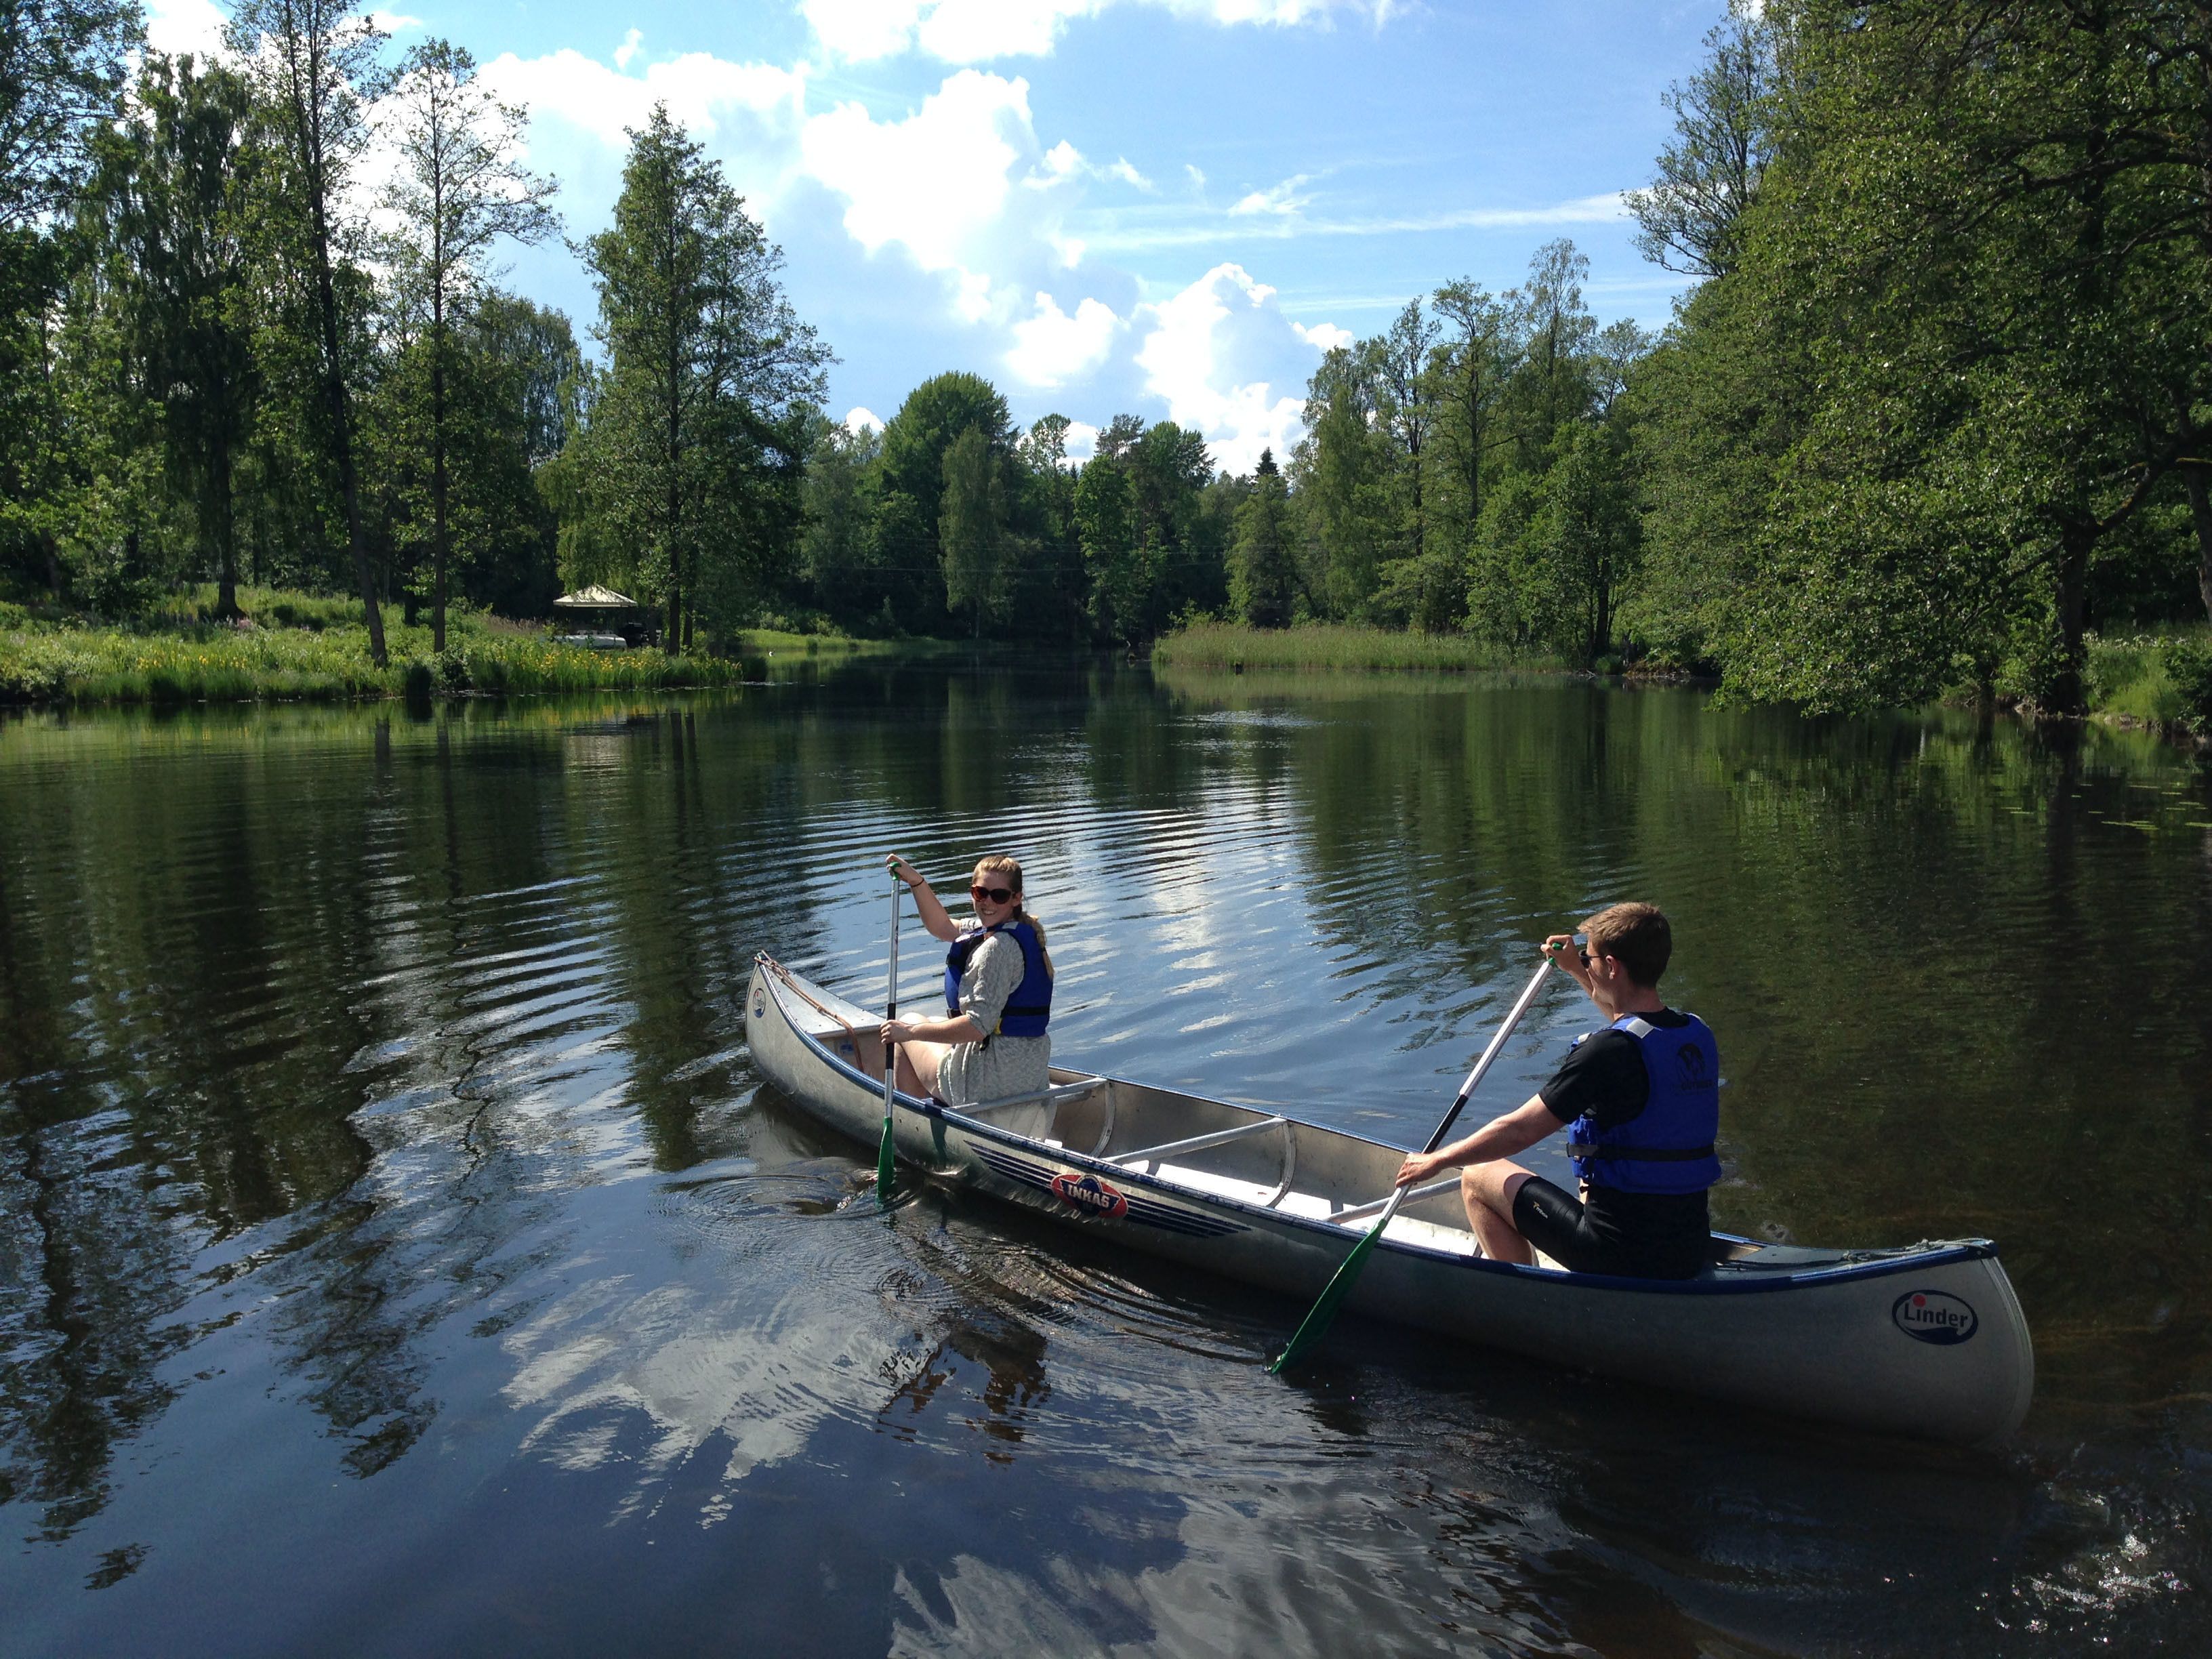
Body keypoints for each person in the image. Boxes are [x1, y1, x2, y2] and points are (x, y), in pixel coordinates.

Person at [1393, 902, 1720, 1279]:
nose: (1586, 962)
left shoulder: (1604, 1053)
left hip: (1617, 1253)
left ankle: (1526, 1305)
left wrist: (1438, 1160)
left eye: (1590, 956)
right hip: (1688, 1244)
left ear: (1612, 966)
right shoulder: (1692, 1035)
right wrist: (1578, 969)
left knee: (1477, 1175)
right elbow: (1626, 1023)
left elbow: (1519, 1131)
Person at [878, 853, 1054, 1124]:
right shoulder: (1019, 928)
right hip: (1027, 1073)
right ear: (972, 892)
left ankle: (920, 1127)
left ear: (1016, 898)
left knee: (907, 1026)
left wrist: (909, 1033)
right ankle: (937, 1109)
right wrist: (916, 882)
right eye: (980, 892)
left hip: (989, 1082)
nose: (987, 902)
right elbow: (944, 927)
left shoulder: (997, 948)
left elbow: (975, 1027)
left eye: (999, 895)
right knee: (934, 1023)